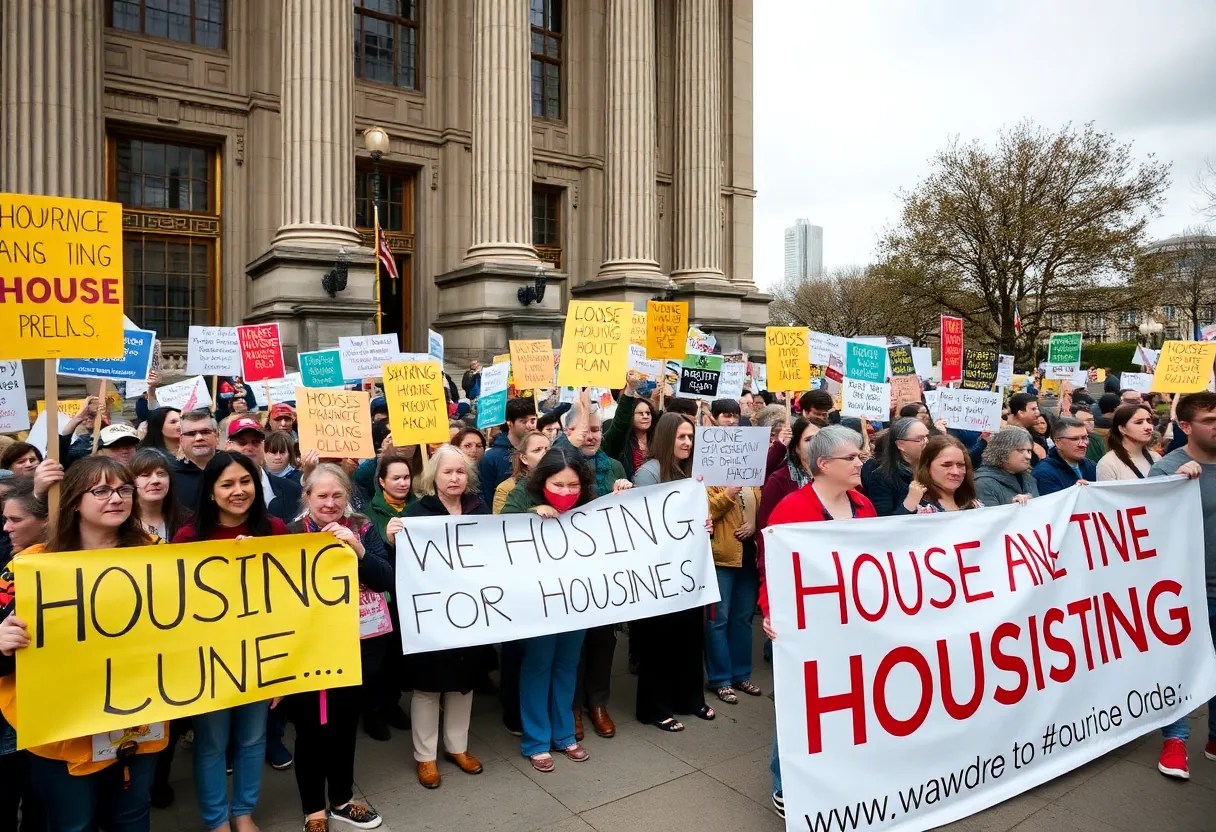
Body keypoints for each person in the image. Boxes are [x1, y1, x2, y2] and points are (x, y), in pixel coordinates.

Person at [0, 457, 167, 832]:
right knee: (74, 824)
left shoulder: (159, 555)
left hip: (136, 722)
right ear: (75, 499)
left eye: (124, 489)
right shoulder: (30, 567)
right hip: (64, 730)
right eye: (101, 490)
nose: (117, 499)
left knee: (132, 816)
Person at [760, 425, 876, 819]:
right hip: (809, 627)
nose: (861, 462)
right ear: (823, 464)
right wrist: (770, 611)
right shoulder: (791, 510)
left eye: (861, 455)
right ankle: (783, 782)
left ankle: (840, 772)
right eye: (852, 458)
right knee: (802, 703)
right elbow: (770, 568)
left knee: (849, 701)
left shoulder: (863, 505)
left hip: (855, 624)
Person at [172, 452, 289, 832]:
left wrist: (283, 669)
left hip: (261, 656)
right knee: (212, 742)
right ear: (210, 492)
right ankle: (216, 819)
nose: (238, 491)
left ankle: (243, 812)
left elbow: (289, 601)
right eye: (227, 484)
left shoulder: (274, 530)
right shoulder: (189, 537)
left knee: (254, 739)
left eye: (245, 482)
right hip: (209, 661)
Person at [286, 464, 390, 830]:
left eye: (337, 495)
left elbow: (385, 579)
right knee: (311, 731)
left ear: (348, 495)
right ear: (307, 497)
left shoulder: (361, 526)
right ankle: (313, 809)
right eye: (321, 496)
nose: (329, 503)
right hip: (308, 650)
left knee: (345, 726)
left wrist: (359, 550)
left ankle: (342, 800)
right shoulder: (291, 533)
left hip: (357, 645)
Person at [501, 446, 605, 770]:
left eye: (573, 485)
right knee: (538, 665)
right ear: (542, 480)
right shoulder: (521, 497)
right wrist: (532, 516)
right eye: (558, 485)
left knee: (567, 664)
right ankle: (536, 740)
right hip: (539, 601)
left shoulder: (591, 500)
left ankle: (563, 735)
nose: (566, 492)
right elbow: (500, 531)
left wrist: (621, 493)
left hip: (577, 599)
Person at [403, 446, 488, 787]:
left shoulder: (479, 510)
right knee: (428, 687)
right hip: (433, 614)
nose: (455, 478)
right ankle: (425, 757)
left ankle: (457, 747)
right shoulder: (416, 513)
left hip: (471, 610)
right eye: (448, 472)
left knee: (464, 682)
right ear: (433, 476)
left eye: (461, 472)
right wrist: (395, 539)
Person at [632, 413, 714, 732]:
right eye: (681, 437)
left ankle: (689, 699)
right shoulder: (648, 473)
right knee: (660, 641)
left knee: (690, 637)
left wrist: (704, 524)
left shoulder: (691, 472)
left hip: (689, 568)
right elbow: (644, 524)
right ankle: (654, 707)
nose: (687, 442)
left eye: (690, 437)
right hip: (660, 571)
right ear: (667, 438)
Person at [1150, 392, 1216, 780]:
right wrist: (1171, 489)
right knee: (1181, 667)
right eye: (1209, 419)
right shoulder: (1168, 470)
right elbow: (1144, 527)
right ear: (1186, 427)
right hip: (1189, 590)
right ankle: (1175, 739)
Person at [360, 448, 415, 742]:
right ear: (381, 481)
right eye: (396, 478)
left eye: (407, 477)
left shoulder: (419, 509)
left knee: (398, 658)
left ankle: (392, 705)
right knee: (377, 661)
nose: (403, 483)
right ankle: (373, 711)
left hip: (415, 597)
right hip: (383, 600)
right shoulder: (369, 514)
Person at [705, 479, 761, 705]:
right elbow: (707, 514)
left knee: (742, 619)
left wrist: (754, 525)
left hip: (748, 558)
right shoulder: (707, 480)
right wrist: (728, 494)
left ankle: (741, 675)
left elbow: (760, 507)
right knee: (717, 620)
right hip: (721, 559)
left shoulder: (752, 479)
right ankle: (720, 679)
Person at [225, 416, 304, 524]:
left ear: (263, 446)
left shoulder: (292, 490)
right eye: (242, 442)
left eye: (255, 442)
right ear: (228, 445)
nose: (249, 447)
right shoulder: (215, 489)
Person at [758, 418, 818, 532]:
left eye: (819, 439)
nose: (815, 444)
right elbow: (766, 529)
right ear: (796, 448)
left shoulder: (833, 475)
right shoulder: (779, 480)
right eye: (809, 439)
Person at [862, 417, 929, 516]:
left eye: (927, 437)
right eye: (919, 439)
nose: (926, 442)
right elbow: (884, 522)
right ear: (901, 444)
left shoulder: (933, 469)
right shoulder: (882, 476)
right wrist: (910, 502)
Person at [902, 435, 983, 513]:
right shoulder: (916, 508)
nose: (955, 472)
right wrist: (909, 505)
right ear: (927, 467)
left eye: (960, 465)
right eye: (946, 465)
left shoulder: (974, 505)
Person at [479, 397, 538, 505]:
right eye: (523, 421)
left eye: (533, 420)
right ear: (510, 423)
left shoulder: (543, 450)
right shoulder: (491, 457)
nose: (530, 426)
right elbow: (486, 496)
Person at [602, 370, 656, 480]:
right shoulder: (621, 439)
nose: (645, 416)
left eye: (648, 413)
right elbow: (620, 423)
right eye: (640, 413)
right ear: (630, 416)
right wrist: (630, 389)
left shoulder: (657, 439)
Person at [130, 448, 191, 542]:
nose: (155, 481)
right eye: (146, 475)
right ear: (131, 481)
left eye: (161, 474)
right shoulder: (122, 523)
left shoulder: (189, 521)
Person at [973, 427, 1040, 506]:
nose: (1028, 456)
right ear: (1003, 451)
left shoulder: (1029, 480)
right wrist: (1012, 507)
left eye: (1029, 451)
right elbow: (989, 517)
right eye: (1021, 450)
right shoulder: (982, 484)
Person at [1032, 417, 1098, 496]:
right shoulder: (1043, 473)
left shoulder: (1090, 465)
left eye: (1084, 438)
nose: (1083, 444)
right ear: (1058, 442)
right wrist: (1074, 492)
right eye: (1075, 439)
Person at [1097, 403, 1160, 480]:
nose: (1148, 427)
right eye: (1139, 422)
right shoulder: (1108, 463)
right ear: (1122, 428)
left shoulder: (1156, 457)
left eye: (1149, 421)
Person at [492, 431, 550, 514]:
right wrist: (534, 511)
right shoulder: (506, 488)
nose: (545, 453)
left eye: (548, 449)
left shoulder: (565, 479)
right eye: (537, 450)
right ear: (524, 458)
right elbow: (503, 523)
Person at [174, 408, 221, 508]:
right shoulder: (170, 475)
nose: (199, 438)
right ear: (181, 440)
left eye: (205, 432)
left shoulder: (233, 467)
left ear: (217, 436)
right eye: (191, 434)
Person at [1007, 393, 1047, 462]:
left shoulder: (1037, 438)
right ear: (1021, 413)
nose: (1038, 413)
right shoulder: (1005, 436)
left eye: (1037, 408)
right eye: (1033, 409)